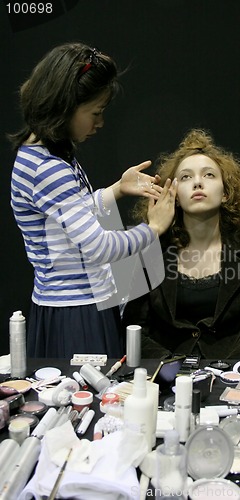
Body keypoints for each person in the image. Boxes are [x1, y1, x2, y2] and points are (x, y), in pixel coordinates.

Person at [9, 42, 176, 358]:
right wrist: (153, 229)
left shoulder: (48, 156)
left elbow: (66, 218)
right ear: (64, 106)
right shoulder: (48, 168)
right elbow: (99, 247)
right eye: (95, 112)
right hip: (76, 313)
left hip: (79, 305)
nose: (100, 123)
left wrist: (116, 189)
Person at [123, 129, 240, 359]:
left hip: (229, 382)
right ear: (173, 194)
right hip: (165, 379)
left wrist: (225, 374)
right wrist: (171, 368)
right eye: (185, 177)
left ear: (225, 193)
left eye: (209, 175)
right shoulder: (151, 250)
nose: (197, 183)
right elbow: (134, 331)